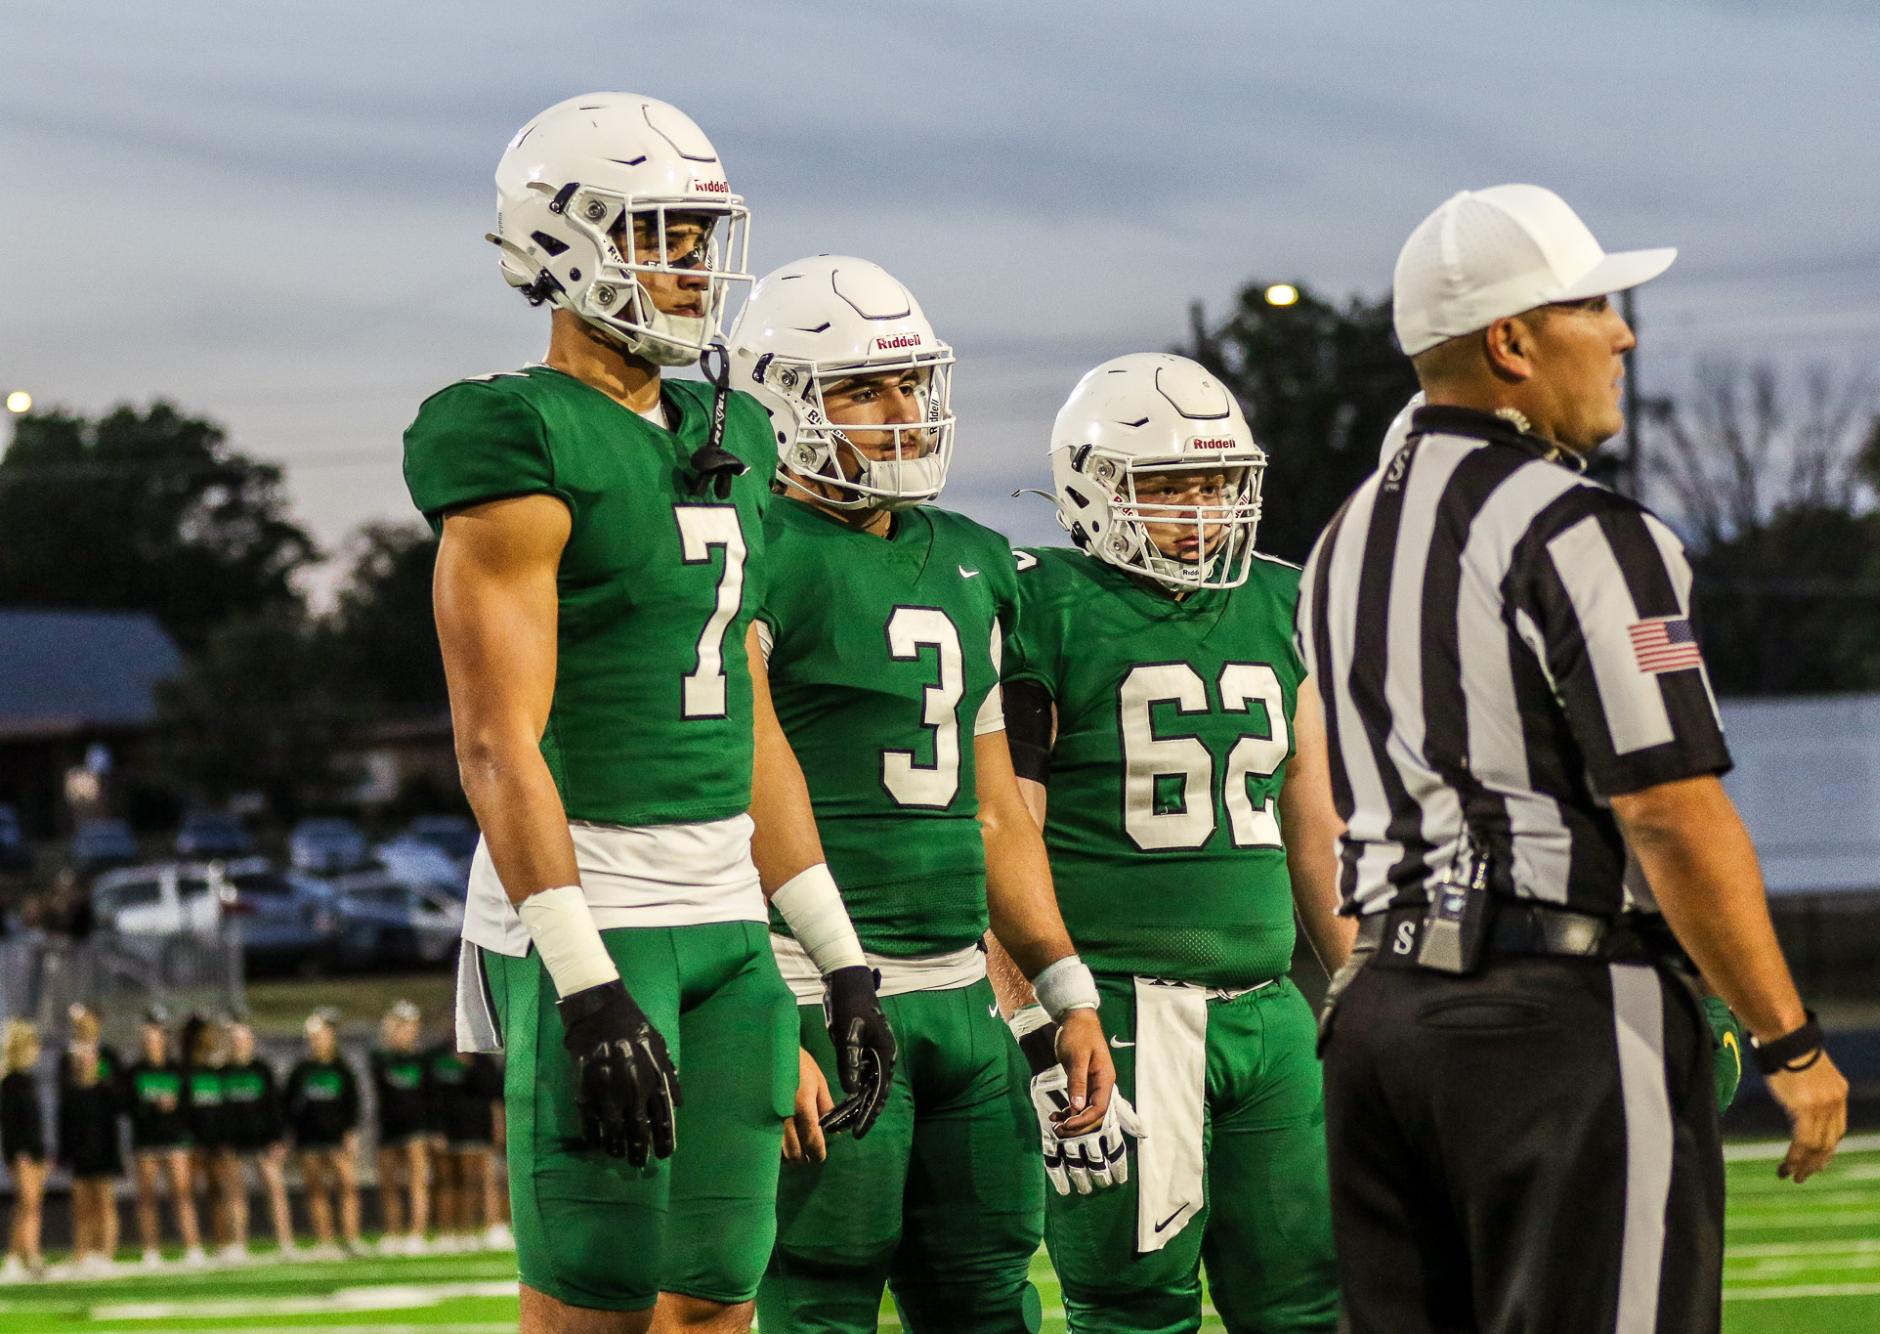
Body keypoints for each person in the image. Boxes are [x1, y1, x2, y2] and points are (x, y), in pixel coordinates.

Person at [1304, 183, 1850, 1332]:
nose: (1623, 334)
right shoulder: (1581, 525)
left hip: (1378, 1019)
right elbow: (1666, 805)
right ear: (1511, 340)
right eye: (1593, 306)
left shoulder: (1340, 543)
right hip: (1555, 1010)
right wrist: (1787, 1035)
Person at [404, 92, 893, 1333]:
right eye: (662, 234)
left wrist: (839, 955)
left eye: (697, 234)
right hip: (596, 906)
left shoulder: (726, 436)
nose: (691, 268)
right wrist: (582, 979)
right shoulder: (520, 434)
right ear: (562, 245)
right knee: (595, 1301)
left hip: (729, 915)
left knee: (720, 1297)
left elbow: (753, 722)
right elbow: (493, 741)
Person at [728, 256, 1116, 1333]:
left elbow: (996, 810)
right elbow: (737, 789)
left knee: (989, 1291)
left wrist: (1061, 987)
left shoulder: (975, 560)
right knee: (818, 1291)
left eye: (912, 384)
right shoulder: (750, 544)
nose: (903, 414)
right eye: (861, 389)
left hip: (960, 994)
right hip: (814, 979)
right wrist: (766, 1013)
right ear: (779, 402)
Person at [998, 353, 1348, 1332]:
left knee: (1310, 1301)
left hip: (1270, 1014)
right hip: (1121, 1013)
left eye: (1216, 482)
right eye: (1166, 485)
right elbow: (1005, 835)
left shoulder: (1281, 602)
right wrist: (1034, 1021)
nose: (1199, 508)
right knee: (1132, 1309)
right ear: (1091, 486)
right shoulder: (1045, 603)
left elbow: (1311, 828)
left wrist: (1363, 988)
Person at [127, 1008, 203, 1267]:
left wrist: (174, 1104)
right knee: (147, 1197)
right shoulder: (135, 1072)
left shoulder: (177, 1070)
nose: (152, 1044)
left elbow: (190, 1105)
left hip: (176, 1139)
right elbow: (127, 1108)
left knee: (182, 1194)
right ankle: (151, 1250)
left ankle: (192, 1247)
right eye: (148, 1040)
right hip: (147, 1140)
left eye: (156, 1039)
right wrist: (152, 1106)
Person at [285, 1010, 361, 1257]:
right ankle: (325, 1241)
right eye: (315, 1036)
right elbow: (288, 1105)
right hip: (309, 1138)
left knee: (348, 1186)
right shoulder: (301, 1071)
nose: (319, 1040)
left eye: (323, 1035)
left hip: (337, 1137)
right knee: (315, 1189)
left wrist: (351, 1133)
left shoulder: (342, 1069)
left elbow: (353, 1103)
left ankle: (350, 1238)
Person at [54, 1004, 122, 1275]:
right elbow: (64, 1097)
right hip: (77, 1137)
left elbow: (118, 1097)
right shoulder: (66, 1059)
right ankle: (82, 1255)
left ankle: (105, 1254)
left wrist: (97, 1075)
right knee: (81, 1202)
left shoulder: (107, 1057)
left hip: (103, 1135)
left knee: (104, 1198)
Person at [425, 1041, 506, 1252]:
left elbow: (494, 1096)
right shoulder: (436, 1058)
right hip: (448, 1128)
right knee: (448, 1181)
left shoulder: (483, 1060)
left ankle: (477, 1229)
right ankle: (449, 1232)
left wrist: (497, 1127)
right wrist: (435, 1128)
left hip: (478, 1128)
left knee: (477, 1181)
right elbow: (431, 1097)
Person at [221, 1019, 293, 1256]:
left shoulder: (262, 1069)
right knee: (235, 1193)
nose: (239, 1044)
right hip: (233, 1141)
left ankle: (285, 1243)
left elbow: (276, 1106)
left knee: (275, 1189)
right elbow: (217, 1111)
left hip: (263, 1140)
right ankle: (239, 1245)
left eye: (243, 1039)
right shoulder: (222, 1072)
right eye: (235, 1040)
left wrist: (278, 1138)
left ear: (250, 1042)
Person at [369, 1001, 431, 1255]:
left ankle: (417, 1233)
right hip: (388, 1124)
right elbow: (379, 1077)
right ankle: (393, 1232)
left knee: (417, 1181)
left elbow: (430, 1095)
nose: (405, 1032)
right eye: (400, 1027)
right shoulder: (381, 1058)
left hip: (416, 1125)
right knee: (389, 1183)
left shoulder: (421, 1059)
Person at [182, 1014, 241, 1262]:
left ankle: (226, 1242)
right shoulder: (186, 1071)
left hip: (218, 1139)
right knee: (189, 1193)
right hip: (194, 1141)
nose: (211, 1037)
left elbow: (225, 1108)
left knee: (221, 1190)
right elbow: (185, 1108)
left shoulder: (218, 1070)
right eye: (207, 1033)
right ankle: (194, 1246)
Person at [1, 1020, 47, 1281]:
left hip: (36, 1150)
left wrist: (42, 1150)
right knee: (28, 1204)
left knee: (29, 1205)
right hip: (23, 1152)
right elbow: (10, 1123)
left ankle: (14, 1257)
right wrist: (17, 1153)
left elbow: (34, 1121)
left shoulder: (29, 1080)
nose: (36, 1049)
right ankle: (31, 1256)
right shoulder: (10, 1082)